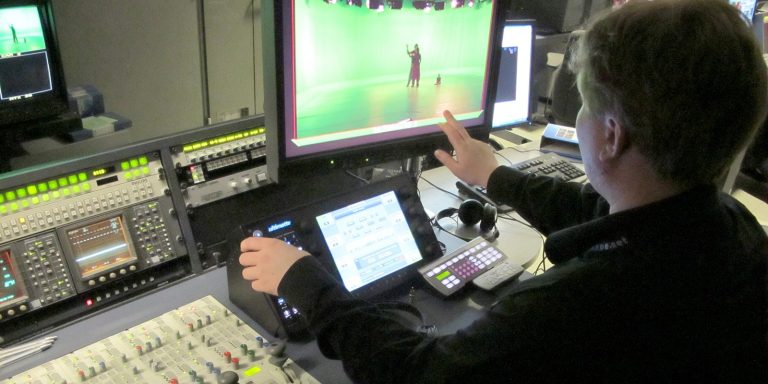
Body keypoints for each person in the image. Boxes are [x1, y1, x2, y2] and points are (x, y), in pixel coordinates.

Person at [239, 1, 767, 382]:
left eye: (584, 106)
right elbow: (597, 210)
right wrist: (495, 175)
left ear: (610, 136)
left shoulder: (573, 307)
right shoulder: (728, 224)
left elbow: (415, 374)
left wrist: (309, 286)